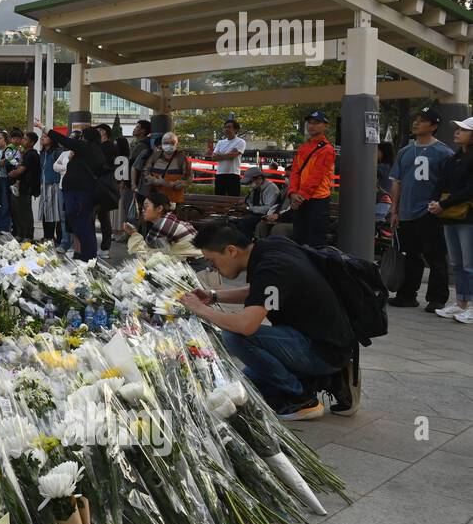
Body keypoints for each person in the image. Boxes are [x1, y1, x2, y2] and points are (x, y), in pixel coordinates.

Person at [182, 221, 356, 420]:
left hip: (321, 349)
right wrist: (213, 296)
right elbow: (260, 292)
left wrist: (201, 309)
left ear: (231, 251)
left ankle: (301, 399)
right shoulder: (272, 247)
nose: (212, 268)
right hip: (325, 341)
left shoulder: (271, 268)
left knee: (235, 336)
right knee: (247, 385)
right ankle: (326, 378)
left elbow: (246, 326)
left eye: (212, 261)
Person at [388, 107, 452, 311]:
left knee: (435, 256)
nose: (416, 123)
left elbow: (449, 185)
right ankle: (407, 294)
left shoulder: (444, 153)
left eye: (423, 120)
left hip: (430, 211)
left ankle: (437, 297)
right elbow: (397, 182)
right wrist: (395, 210)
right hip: (406, 212)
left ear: (433, 127)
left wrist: (441, 206)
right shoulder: (405, 151)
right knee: (410, 255)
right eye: (416, 119)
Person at [429, 116, 473, 322]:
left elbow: (469, 190)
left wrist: (443, 204)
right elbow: (442, 183)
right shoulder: (453, 158)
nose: (457, 132)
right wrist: (434, 201)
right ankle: (461, 302)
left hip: (468, 217)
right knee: (456, 263)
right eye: (457, 128)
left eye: (463, 129)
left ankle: (471, 305)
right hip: (451, 216)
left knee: (469, 263)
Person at [46, 126, 104, 262]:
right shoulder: (95, 150)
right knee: (82, 225)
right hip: (82, 193)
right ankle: (86, 256)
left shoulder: (86, 147)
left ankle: (88, 258)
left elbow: (63, 140)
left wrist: (44, 128)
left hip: (79, 194)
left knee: (82, 225)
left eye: (82, 136)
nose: (80, 139)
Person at [287, 110, 335, 248]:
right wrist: (292, 193)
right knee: (299, 238)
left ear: (325, 126)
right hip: (301, 199)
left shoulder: (327, 149)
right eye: (310, 123)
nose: (311, 126)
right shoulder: (303, 147)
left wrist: (298, 196)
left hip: (317, 200)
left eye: (316, 123)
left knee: (316, 241)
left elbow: (317, 176)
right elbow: (295, 171)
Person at [125, 191, 200, 257]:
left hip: (195, 266)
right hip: (199, 260)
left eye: (146, 206)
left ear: (159, 209)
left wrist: (133, 233)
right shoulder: (169, 218)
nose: (142, 210)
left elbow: (145, 252)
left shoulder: (163, 224)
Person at [141, 130, 190, 209]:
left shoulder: (181, 158)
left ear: (176, 144)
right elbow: (146, 172)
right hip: (156, 200)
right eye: (166, 143)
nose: (169, 145)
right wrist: (155, 181)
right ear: (162, 143)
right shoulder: (155, 157)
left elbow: (188, 177)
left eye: (172, 143)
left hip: (175, 200)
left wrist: (176, 184)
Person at [8, 131, 42, 241]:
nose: (23, 140)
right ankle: (20, 233)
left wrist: (13, 173)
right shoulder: (24, 152)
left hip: (26, 187)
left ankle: (28, 235)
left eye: (25, 139)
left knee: (25, 211)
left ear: (32, 142)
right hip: (19, 186)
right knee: (17, 211)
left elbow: (22, 169)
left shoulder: (32, 154)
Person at [234, 167, 282, 240]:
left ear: (259, 178)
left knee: (244, 224)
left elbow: (267, 209)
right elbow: (250, 202)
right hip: (254, 215)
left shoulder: (271, 188)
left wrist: (248, 208)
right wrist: (245, 204)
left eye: (250, 182)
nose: (249, 184)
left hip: (266, 217)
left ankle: (247, 246)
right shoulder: (255, 188)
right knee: (234, 222)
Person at [37, 131, 66, 244]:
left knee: (55, 212)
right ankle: (47, 236)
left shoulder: (57, 152)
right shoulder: (43, 153)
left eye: (45, 137)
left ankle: (55, 237)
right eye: (42, 137)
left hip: (54, 185)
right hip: (44, 185)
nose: (43, 138)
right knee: (45, 212)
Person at [212, 119, 246, 197]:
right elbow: (213, 157)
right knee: (219, 199)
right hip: (220, 174)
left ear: (236, 129)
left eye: (229, 127)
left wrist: (220, 155)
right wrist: (229, 153)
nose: (227, 129)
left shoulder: (241, 142)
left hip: (233, 174)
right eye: (225, 127)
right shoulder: (220, 142)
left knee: (233, 199)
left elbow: (232, 156)